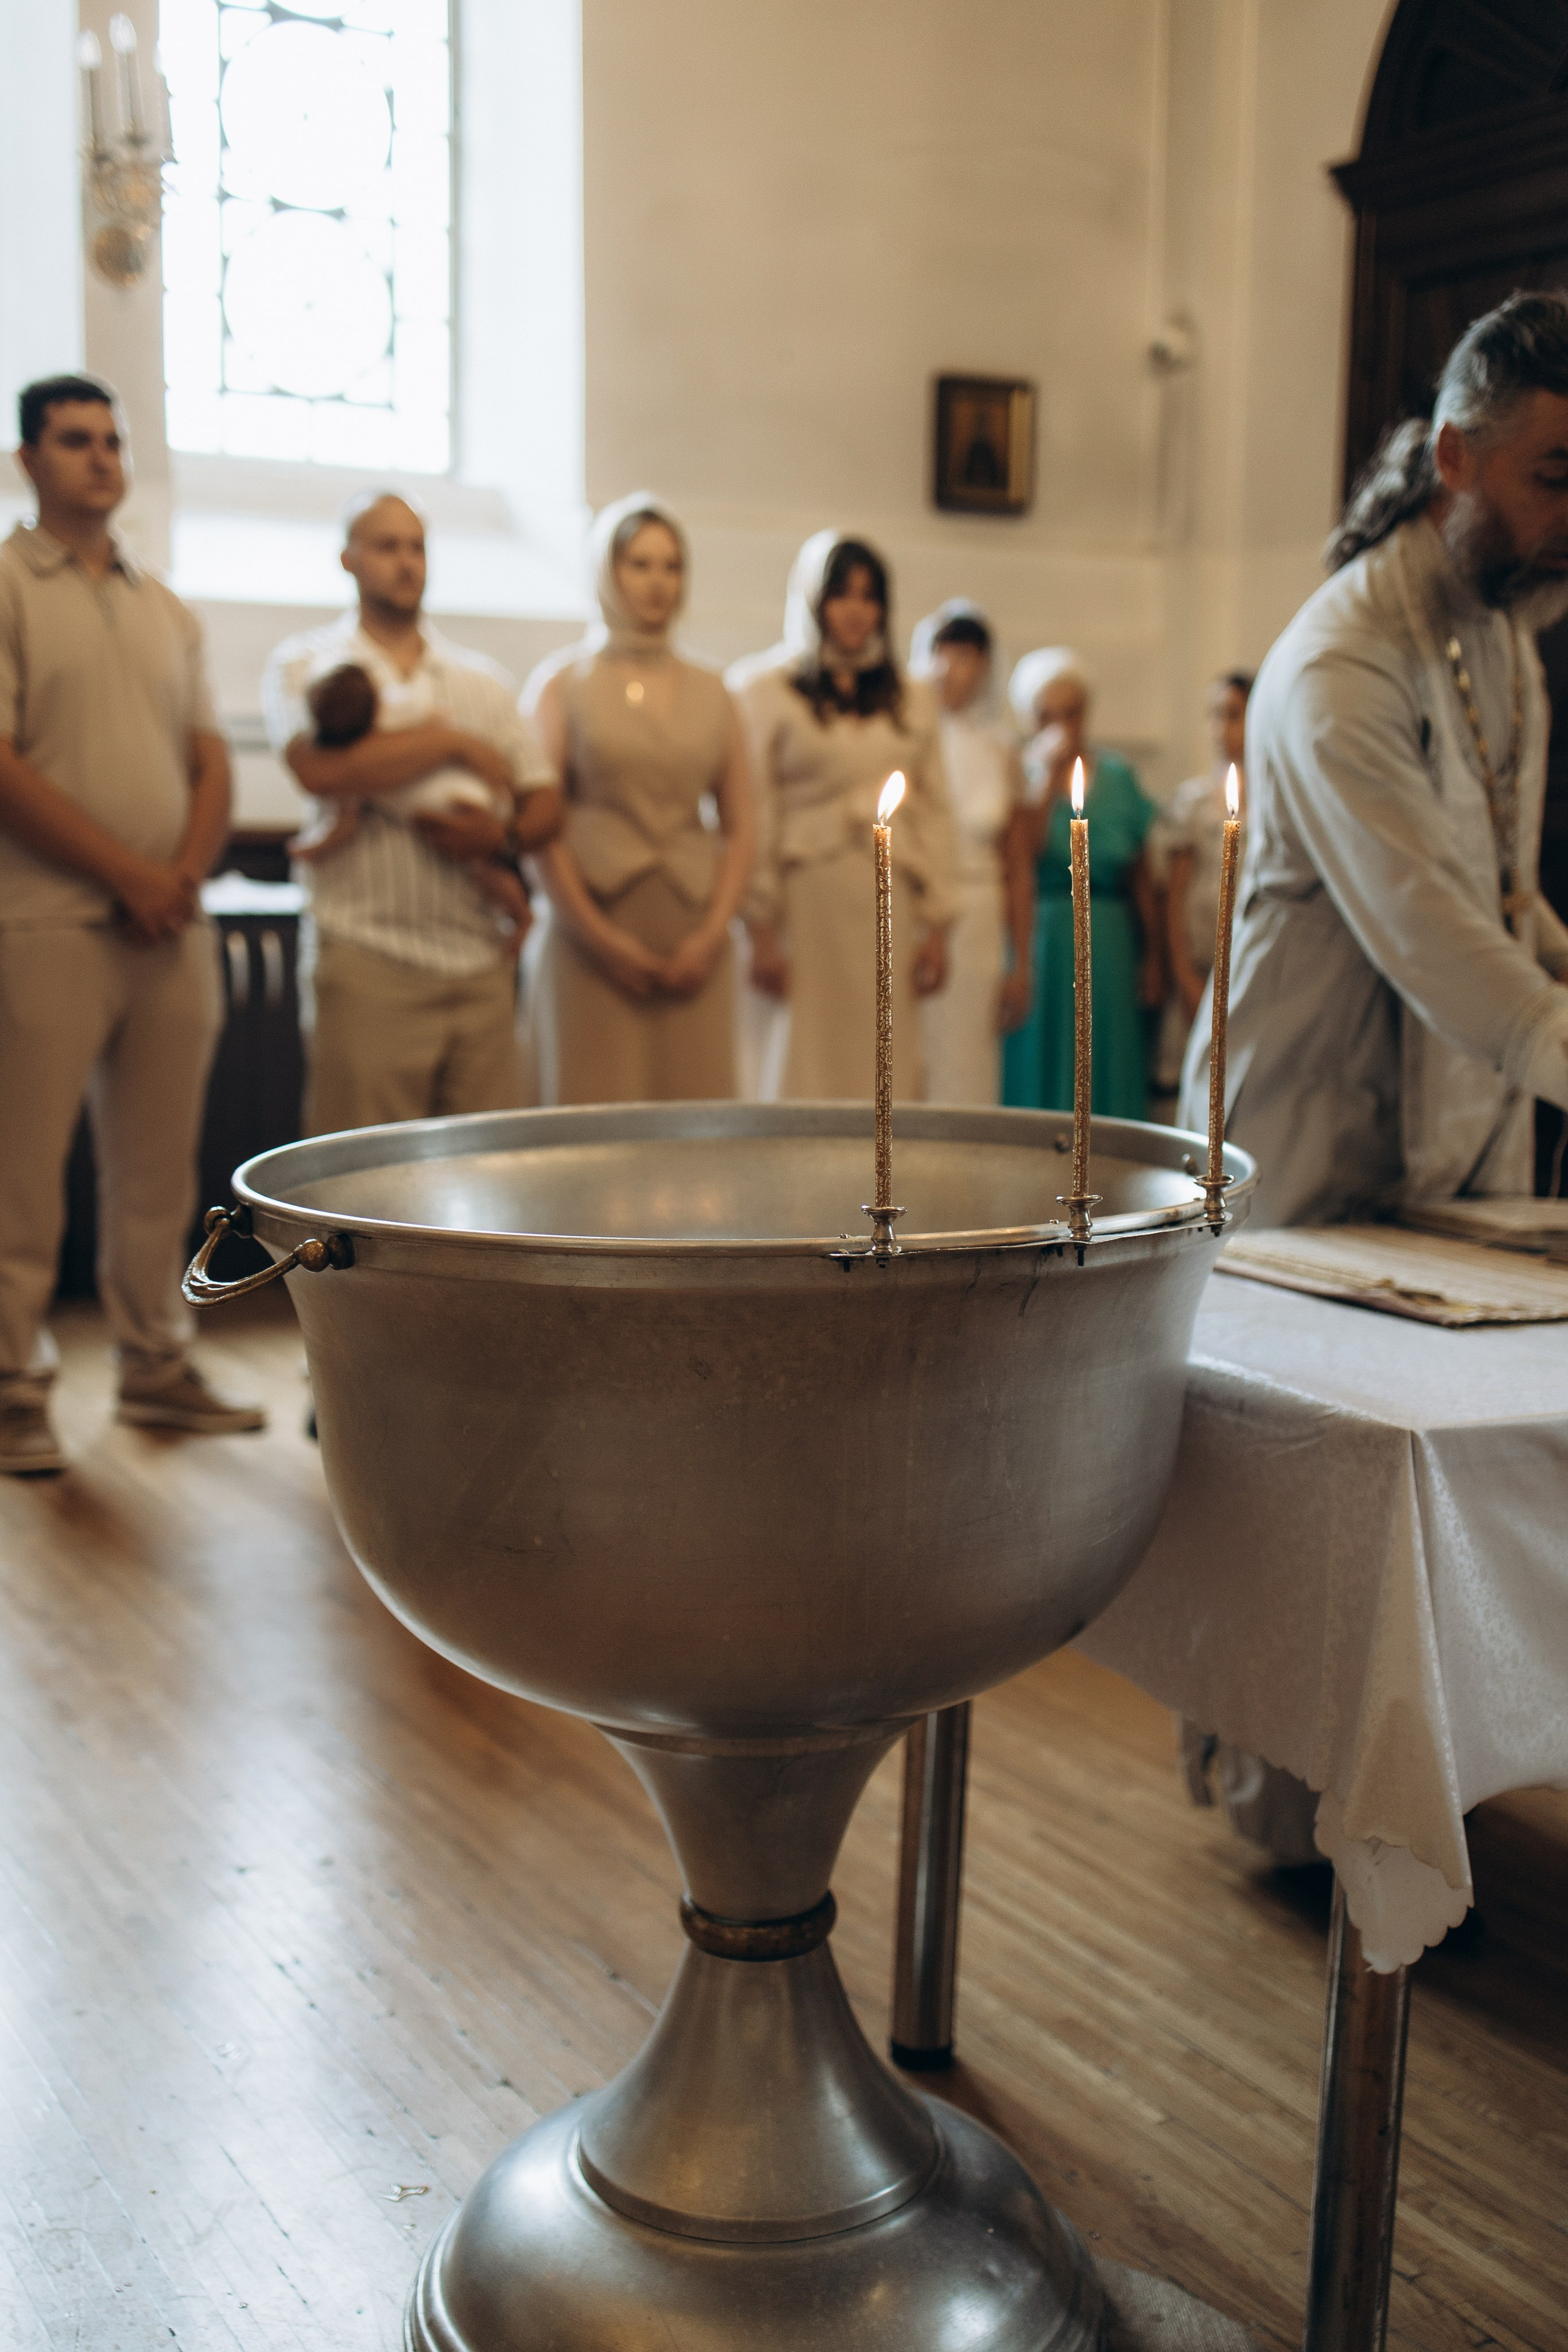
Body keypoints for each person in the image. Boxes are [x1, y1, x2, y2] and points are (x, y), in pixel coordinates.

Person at [1178, 290, 1568, 1865]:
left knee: (1410, 1496)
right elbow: (1427, 933)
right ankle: (1288, 1816)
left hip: (1442, 1111)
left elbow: (1496, 887)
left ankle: (1408, 1794)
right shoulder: (1334, 662)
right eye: (1548, 476)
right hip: (1309, 1106)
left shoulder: (1499, 638)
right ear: (1453, 457)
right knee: (1289, 1496)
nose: (1567, 515)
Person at [0, 372, 263, 1474]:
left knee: (159, 1171)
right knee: (22, 1169)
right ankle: (13, 1381)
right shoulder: (9, 583)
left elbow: (210, 758)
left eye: (112, 441)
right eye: (74, 441)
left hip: (170, 930)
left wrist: (183, 875)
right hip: (50, 920)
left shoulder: (166, 606)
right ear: (28, 462)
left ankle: (155, 1363)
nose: (101, 458)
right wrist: (125, 873)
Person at [262, 494, 561, 1133]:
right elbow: (322, 770)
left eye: (417, 547)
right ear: (348, 558)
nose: (406, 562)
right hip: (369, 962)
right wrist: (451, 742)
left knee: (489, 1186)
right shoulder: (308, 664)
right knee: (359, 1192)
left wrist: (500, 835)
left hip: (479, 964)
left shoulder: (480, 680)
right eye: (386, 545)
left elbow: (545, 799)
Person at [521, 492, 755, 1103]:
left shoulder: (715, 689)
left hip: (692, 936)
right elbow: (538, 827)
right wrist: (602, 940)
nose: (658, 583)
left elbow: (743, 826)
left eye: (671, 566)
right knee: (592, 1112)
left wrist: (710, 937)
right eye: (640, 564)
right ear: (606, 571)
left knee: (693, 1120)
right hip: (589, 934)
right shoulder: (561, 683)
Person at [731, 532, 956, 1100]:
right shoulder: (766, 691)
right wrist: (759, 928)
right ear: (813, 600)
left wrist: (939, 925)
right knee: (804, 1050)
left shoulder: (912, 696)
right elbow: (755, 810)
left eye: (869, 596)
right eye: (842, 595)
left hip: (891, 900)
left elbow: (934, 809)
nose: (856, 611)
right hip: (806, 902)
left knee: (888, 1051)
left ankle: (884, 1175)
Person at [1001, 649, 1162, 1118]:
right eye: (1048, 715)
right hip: (1045, 936)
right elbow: (1019, 858)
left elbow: (1140, 872)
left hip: (1109, 935)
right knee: (1043, 1052)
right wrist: (1046, 783)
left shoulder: (1118, 776)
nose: (1063, 725)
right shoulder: (1022, 773)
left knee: (1105, 1049)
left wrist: (1152, 957)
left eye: (1072, 712)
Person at [291, 663, 532, 952]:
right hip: (466, 794)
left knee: (482, 866)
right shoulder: (392, 713)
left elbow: (343, 823)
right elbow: (438, 717)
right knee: (485, 867)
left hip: (453, 799)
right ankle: (521, 916)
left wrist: (311, 848)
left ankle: (522, 917)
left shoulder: (362, 753)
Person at [908, 600, 1030, 1102]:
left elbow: (1017, 865)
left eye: (965, 656)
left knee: (970, 1062)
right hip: (919, 911)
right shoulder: (909, 737)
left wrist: (1021, 962)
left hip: (981, 920)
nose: (950, 669)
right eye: (941, 653)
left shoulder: (1002, 751)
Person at [1152, 671, 1252, 1092]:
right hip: (1196, 964)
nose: (1220, 728)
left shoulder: (1274, 799)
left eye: (1233, 715)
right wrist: (1183, 975)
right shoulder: (1192, 801)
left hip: (1247, 965)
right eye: (1214, 715)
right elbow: (1174, 896)